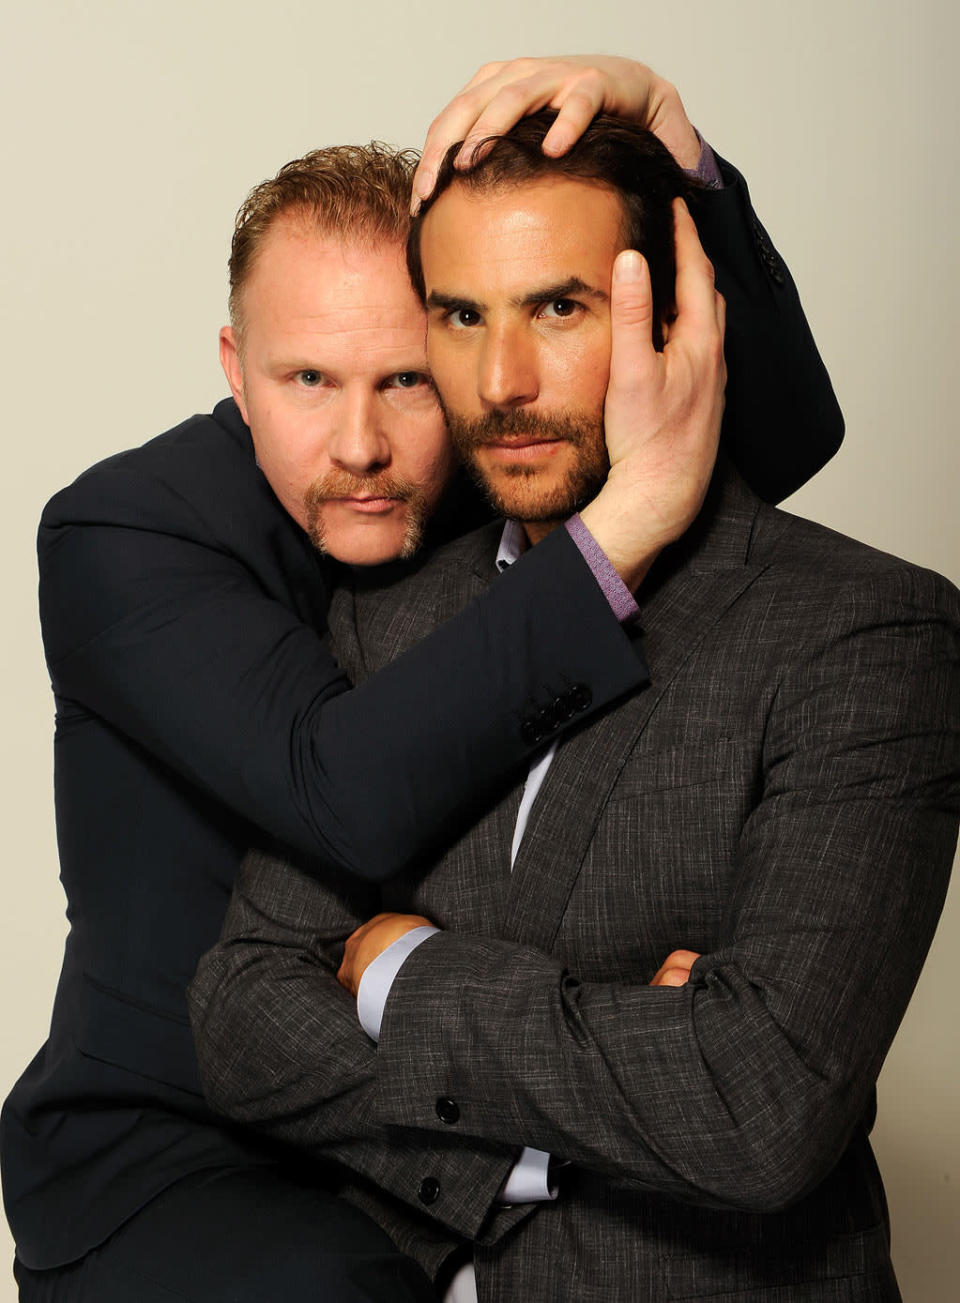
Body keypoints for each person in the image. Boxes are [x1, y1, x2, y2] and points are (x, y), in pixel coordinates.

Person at [4, 56, 842, 1301]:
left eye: (406, 377)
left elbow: (759, 452)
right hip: (181, 1151)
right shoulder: (123, 531)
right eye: (308, 382)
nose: (362, 445)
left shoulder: (467, 473)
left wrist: (679, 160)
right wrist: (622, 527)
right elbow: (341, 782)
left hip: (437, 1115)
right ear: (234, 367)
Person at [190, 115, 960, 1302]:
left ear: (674, 318)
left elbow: (757, 1106)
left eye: (559, 308)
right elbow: (244, 1019)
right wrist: (608, 1086)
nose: (502, 382)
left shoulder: (866, 632)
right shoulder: (388, 620)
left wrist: (402, 971)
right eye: (461, 315)